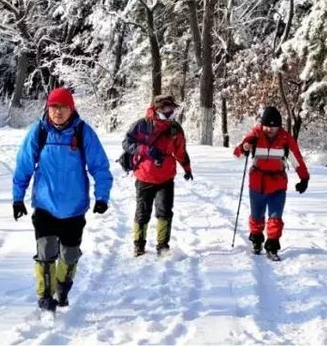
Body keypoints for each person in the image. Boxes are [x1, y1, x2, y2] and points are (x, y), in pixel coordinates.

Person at [12, 87, 113, 312]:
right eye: (53, 107)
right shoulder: (38, 132)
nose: (57, 112)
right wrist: (18, 198)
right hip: (45, 205)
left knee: (69, 255)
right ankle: (45, 296)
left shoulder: (83, 133)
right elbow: (23, 165)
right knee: (45, 253)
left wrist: (102, 196)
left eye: (63, 107)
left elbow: (100, 166)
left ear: (71, 109)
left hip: (74, 208)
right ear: (47, 108)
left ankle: (63, 287)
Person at [233, 106, 310, 261]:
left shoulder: (285, 139)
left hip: (277, 185)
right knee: (256, 216)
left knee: (275, 217)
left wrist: (304, 178)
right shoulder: (255, 134)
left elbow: (296, 159)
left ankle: (272, 246)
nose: (269, 129)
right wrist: (244, 147)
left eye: (273, 126)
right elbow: (237, 154)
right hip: (257, 184)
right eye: (267, 126)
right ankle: (256, 240)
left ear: (279, 126)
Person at [122, 94, 192, 257]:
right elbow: (127, 143)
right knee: (142, 211)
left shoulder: (175, 128)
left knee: (165, 211)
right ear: (157, 109)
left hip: (166, 178)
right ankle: (139, 244)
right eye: (167, 109)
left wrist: (187, 168)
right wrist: (145, 150)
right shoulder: (141, 125)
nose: (170, 112)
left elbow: (180, 151)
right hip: (144, 176)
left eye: (172, 109)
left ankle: (162, 246)